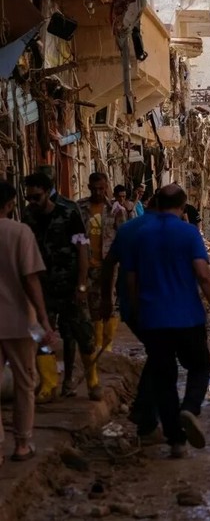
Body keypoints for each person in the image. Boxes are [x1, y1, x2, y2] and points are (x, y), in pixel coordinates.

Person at [125, 184, 210, 458]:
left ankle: (176, 441)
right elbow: (203, 275)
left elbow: (131, 280)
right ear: (183, 206)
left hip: (153, 318)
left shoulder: (140, 234)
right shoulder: (188, 233)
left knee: (163, 379)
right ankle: (190, 408)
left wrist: (137, 310)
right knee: (200, 365)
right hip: (187, 317)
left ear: (157, 202)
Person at [22, 173, 101, 402]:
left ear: (48, 192)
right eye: (29, 198)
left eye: (36, 197)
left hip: (70, 285)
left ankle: (92, 381)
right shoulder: (29, 216)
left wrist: (82, 285)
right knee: (41, 336)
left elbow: (82, 250)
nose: (32, 202)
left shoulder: (69, 212)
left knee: (82, 334)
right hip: (43, 287)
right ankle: (49, 383)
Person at [0, 181, 58, 462]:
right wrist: (44, 320)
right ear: (10, 204)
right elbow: (31, 279)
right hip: (19, 320)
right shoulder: (20, 232)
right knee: (25, 381)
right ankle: (22, 443)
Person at [101, 193, 162, 443]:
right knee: (161, 357)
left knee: (158, 355)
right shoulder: (164, 231)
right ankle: (145, 416)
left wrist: (107, 298)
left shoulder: (127, 229)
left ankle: (146, 417)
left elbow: (109, 263)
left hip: (131, 307)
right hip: (157, 307)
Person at [79, 173, 125, 354]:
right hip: (85, 264)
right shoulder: (80, 208)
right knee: (90, 305)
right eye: (94, 188)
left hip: (108, 264)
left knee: (109, 302)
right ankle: (96, 342)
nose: (98, 192)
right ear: (89, 187)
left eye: (101, 188)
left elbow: (122, 236)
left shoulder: (115, 210)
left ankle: (107, 346)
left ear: (106, 187)